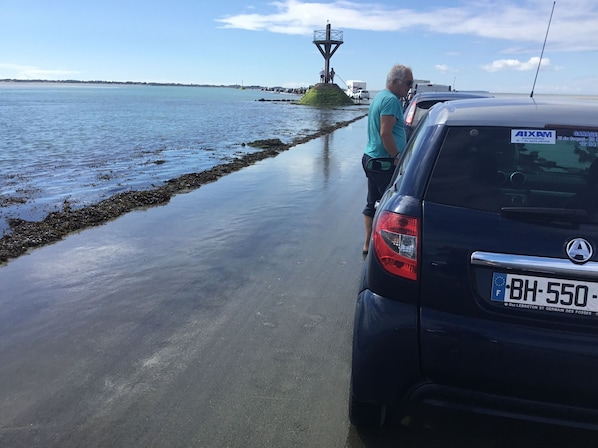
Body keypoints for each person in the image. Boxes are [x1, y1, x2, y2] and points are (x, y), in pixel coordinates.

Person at [361, 64, 413, 254]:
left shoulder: (380, 97)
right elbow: (385, 133)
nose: (409, 88)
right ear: (395, 82)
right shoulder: (391, 100)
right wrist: (397, 157)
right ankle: (386, 249)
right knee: (390, 207)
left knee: (371, 203)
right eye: (408, 83)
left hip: (371, 158)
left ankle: (368, 244)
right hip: (383, 162)